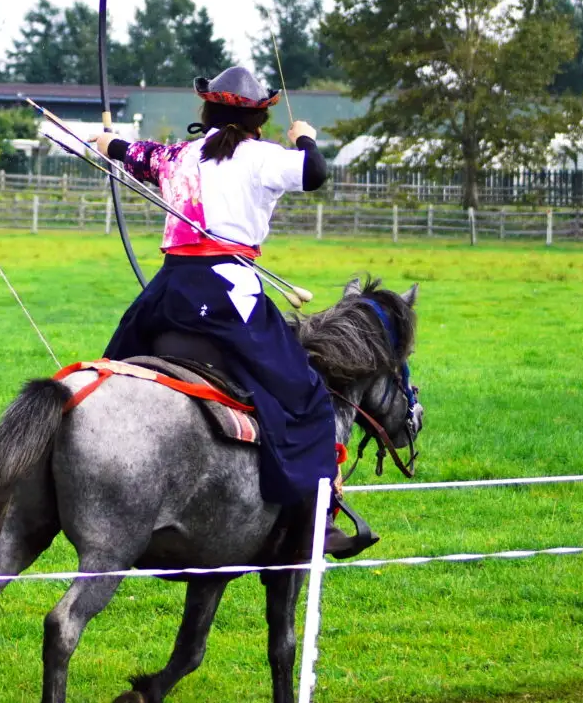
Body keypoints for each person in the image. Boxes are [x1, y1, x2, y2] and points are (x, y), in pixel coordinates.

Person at [90, 65, 375, 558]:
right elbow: (315, 172)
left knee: (109, 368)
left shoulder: (176, 155)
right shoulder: (264, 156)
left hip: (168, 293)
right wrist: (305, 138)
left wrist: (106, 140)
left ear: (207, 111)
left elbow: (124, 152)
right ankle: (318, 517)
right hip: (228, 294)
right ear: (259, 118)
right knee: (306, 395)